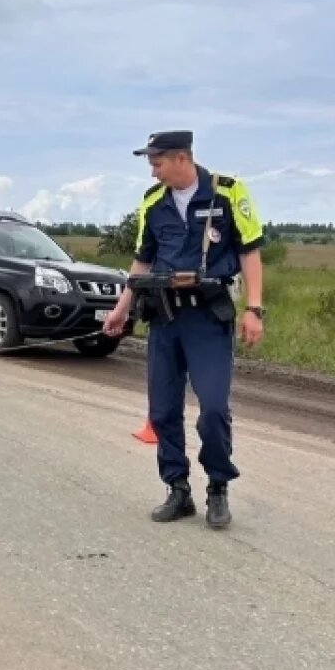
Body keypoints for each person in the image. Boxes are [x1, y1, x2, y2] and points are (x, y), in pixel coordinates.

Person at [102, 130, 265, 529]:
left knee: (212, 408)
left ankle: (218, 487)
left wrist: (255, 309)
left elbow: (250, 250)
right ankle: (177, 488)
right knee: (162, 410)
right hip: (164, 317)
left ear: (180, 158)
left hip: (208, 318)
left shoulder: (226, 192)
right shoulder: (152, 203)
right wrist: (121, 309)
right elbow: (143, 260)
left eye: (157, 163)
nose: (154, 172)